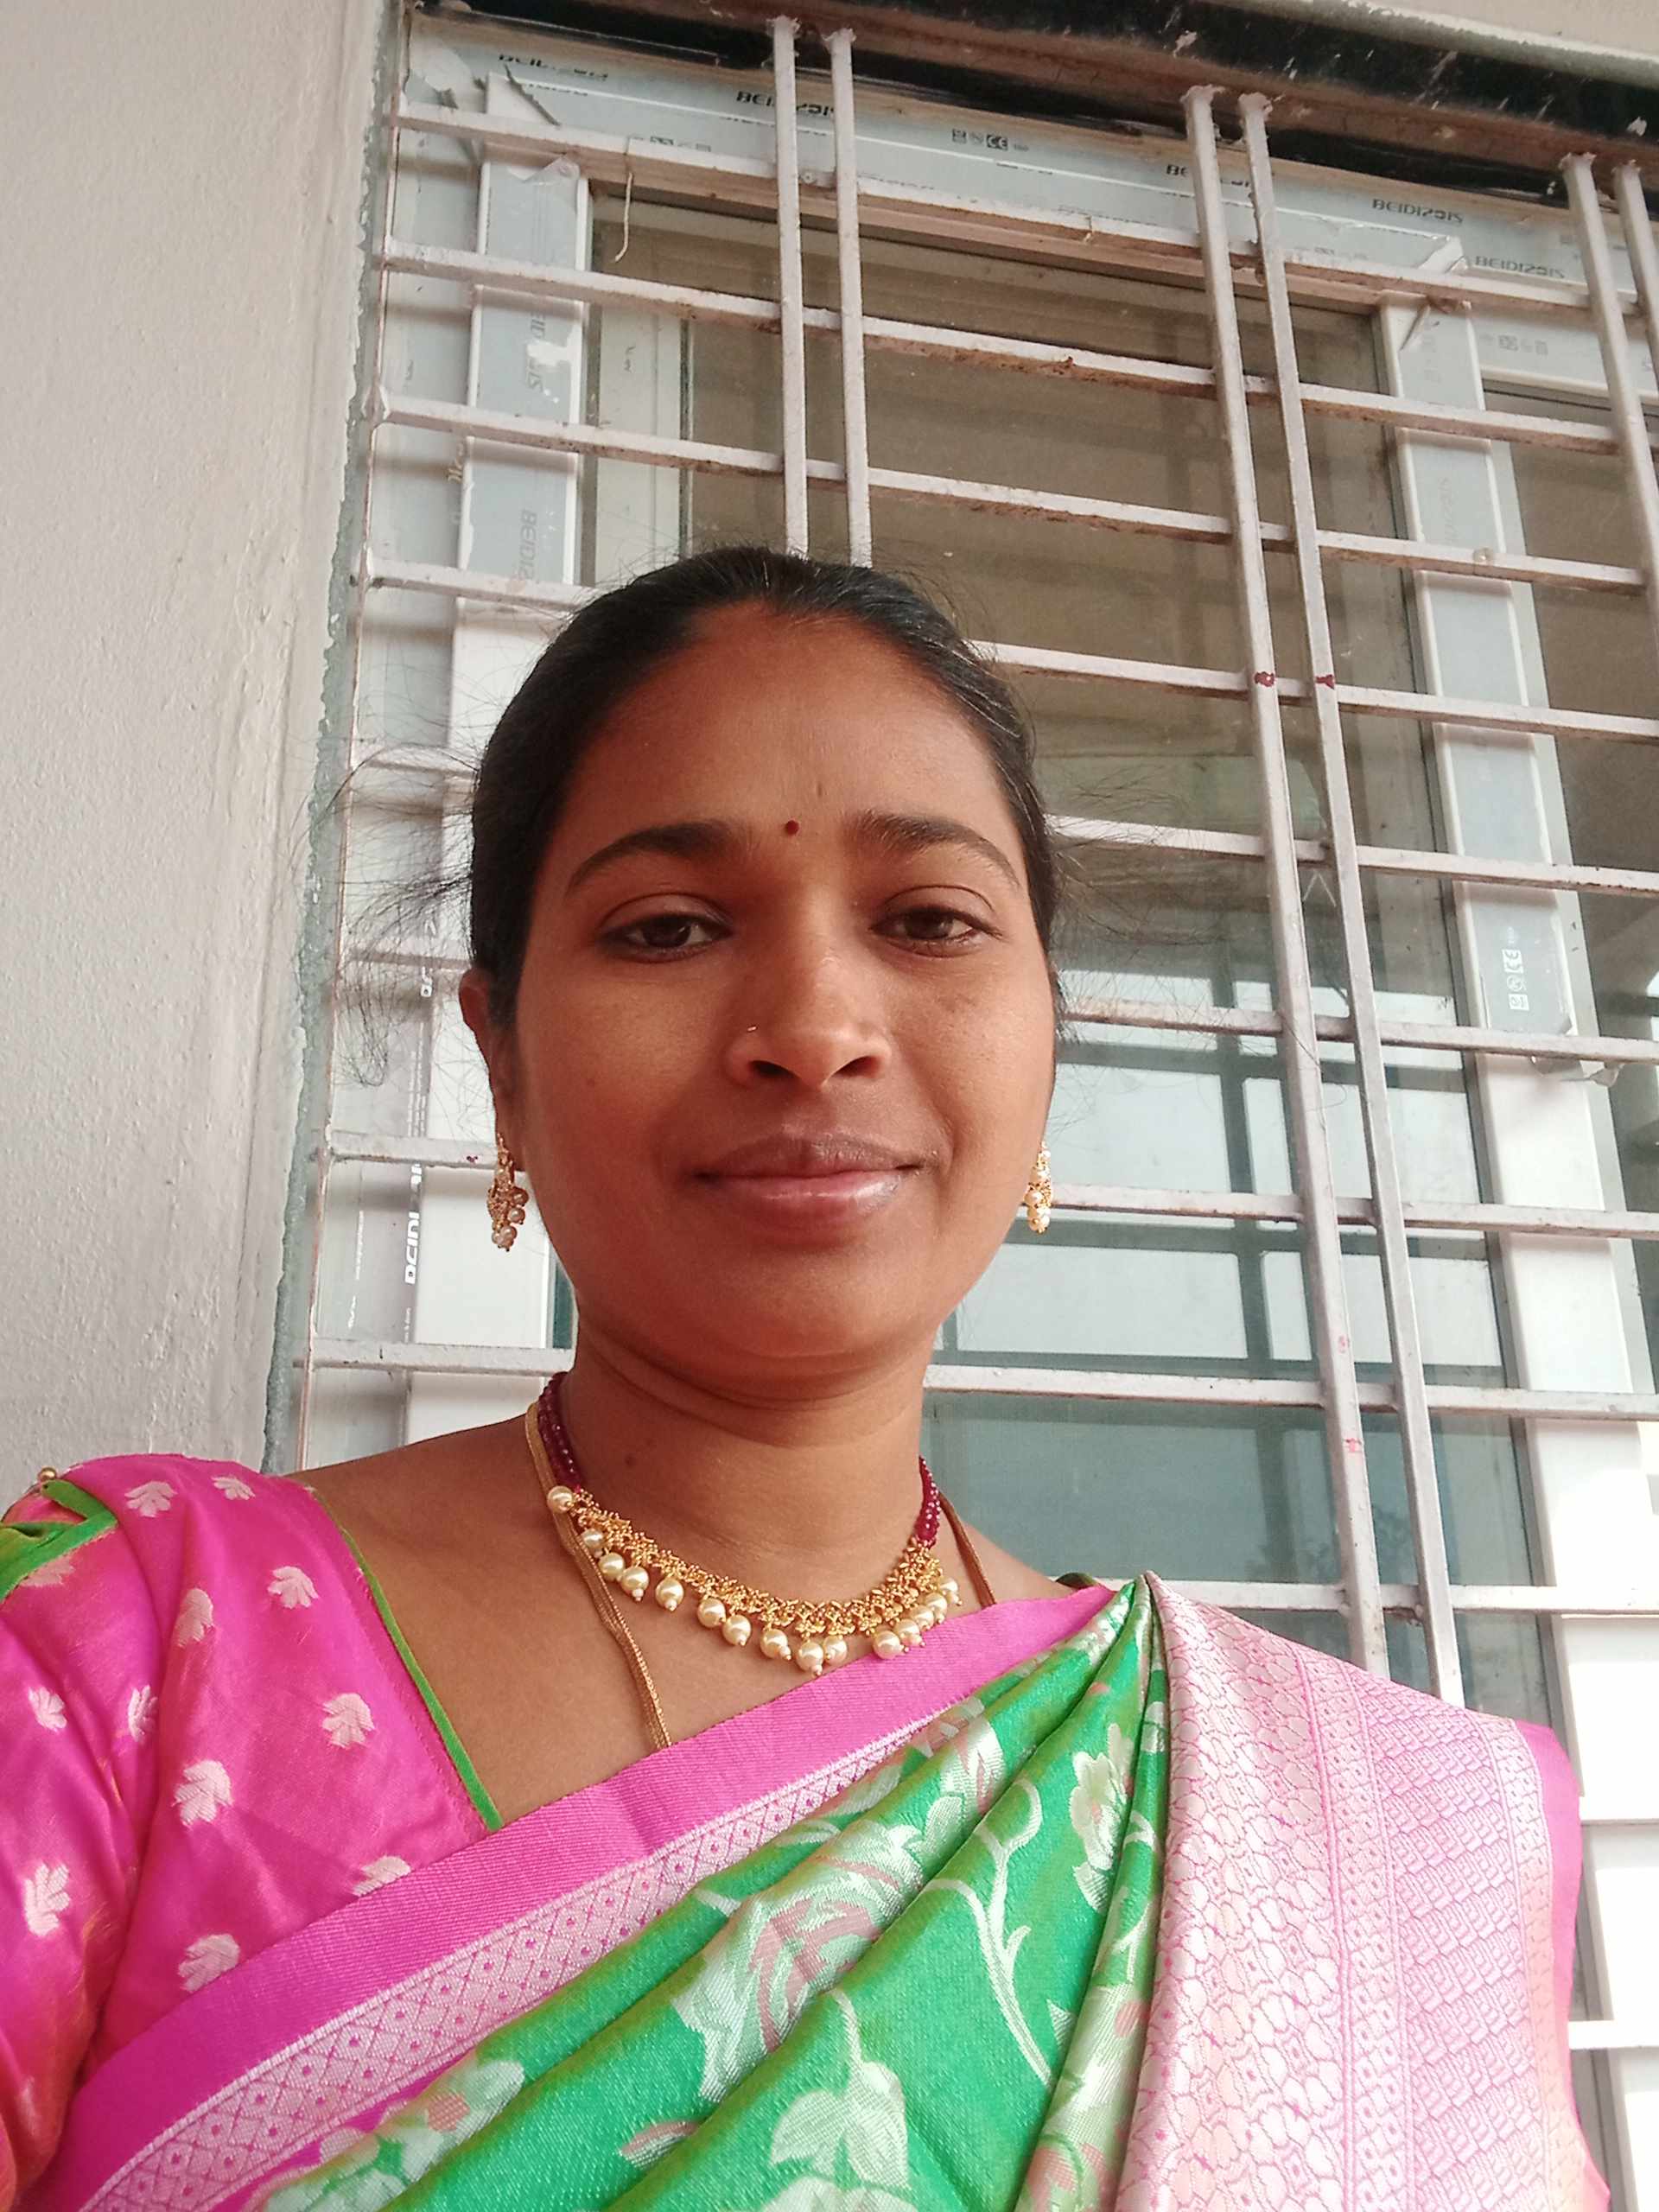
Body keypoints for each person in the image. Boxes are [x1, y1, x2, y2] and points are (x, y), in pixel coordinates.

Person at [3, 548, 1604, 2210]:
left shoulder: (1334, 1827)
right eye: (668, 928)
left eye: (929, 921)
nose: (815, 1026)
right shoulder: (131, 1648)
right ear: (503, 1058)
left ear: (1046, 1034)